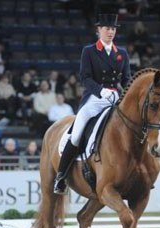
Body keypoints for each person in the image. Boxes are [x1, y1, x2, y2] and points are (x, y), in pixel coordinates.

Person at [54, 13, 131, 194]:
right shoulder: (89, 51)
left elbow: (127, 79)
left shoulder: (122, 53)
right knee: (76, 133)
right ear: (99, 30)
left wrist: (124, 96)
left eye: (113, 29)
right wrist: (100, 91)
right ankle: (61, 176)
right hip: (94, 99)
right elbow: (85, 78)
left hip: (115, 100)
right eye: (107, 29)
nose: (110, 32)